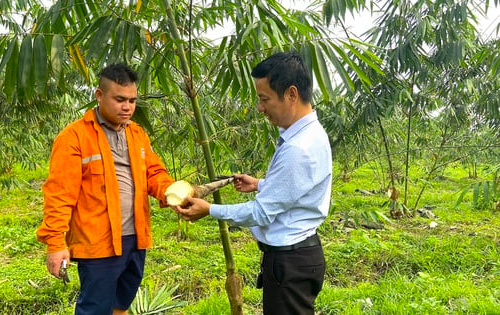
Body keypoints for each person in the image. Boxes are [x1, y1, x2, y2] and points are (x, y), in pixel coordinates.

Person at [176, 52, 332, 315]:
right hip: (299, 257)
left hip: (290, 263)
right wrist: (260, 184)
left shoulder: (299, 147)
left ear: (291, 94)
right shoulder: (309, 134)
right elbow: (298, 188)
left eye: (264, 99)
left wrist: (209, 210)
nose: (260, 108)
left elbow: (261, 213)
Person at [36, 63, 175, 315]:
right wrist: (55, 244)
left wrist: (171, 192)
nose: (127, 107)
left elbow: (154, 173)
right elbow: (59, 194)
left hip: (135, 239)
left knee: (121, 302)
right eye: (120, 99)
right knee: (95, 308)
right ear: (99, 96)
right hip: (98, 243)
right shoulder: (74, 138)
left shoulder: (136, 134)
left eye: (132, 100)